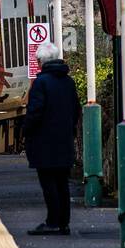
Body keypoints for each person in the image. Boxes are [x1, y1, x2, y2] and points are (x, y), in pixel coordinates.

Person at [22, 40, 82, 236]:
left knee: (49, 184)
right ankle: (63, 222)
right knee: (62, 184)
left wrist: (26, 130)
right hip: (64, 141)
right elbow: (76, 110)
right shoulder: (69, 82)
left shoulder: (41, 83)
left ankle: (52, 221)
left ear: (42, 61)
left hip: (44, 143)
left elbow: (35, 112)